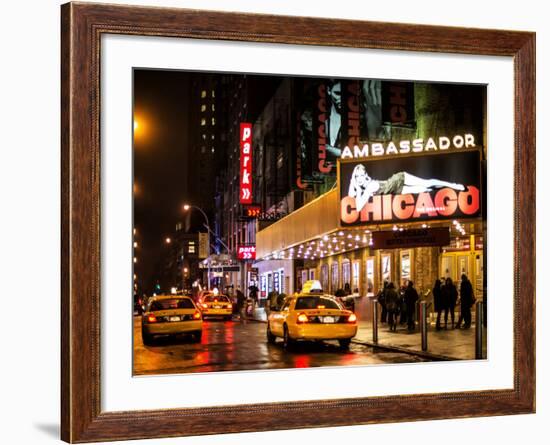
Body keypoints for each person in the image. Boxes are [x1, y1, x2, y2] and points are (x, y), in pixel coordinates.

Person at [348, 164, 466, 213]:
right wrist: (352, 182)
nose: (359, 179)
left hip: (399, 179)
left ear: (365, 175)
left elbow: (358, 207)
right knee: (425, 190)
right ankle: (445, 188)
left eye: (361, 176)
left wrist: (357, 188)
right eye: (357, 176)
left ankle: (453, 185)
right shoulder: (365, 187)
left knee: (427, 183)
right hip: (397, 190)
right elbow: (350, 196)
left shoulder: (369, 187)